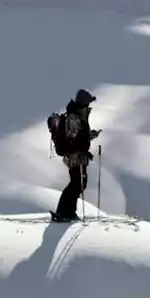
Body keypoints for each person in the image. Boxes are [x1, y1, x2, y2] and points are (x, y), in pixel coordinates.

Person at [52, 89, 102, 222]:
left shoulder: (77, 115)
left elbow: (77, 136)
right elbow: (73, 137)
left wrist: (90, 136)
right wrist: (81, 149)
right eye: (88, 102)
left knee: (78, 183)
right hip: (75, 156)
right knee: (77, 183)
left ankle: (67, 211)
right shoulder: (74, 117)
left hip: (76, 155)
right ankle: (64, 212)